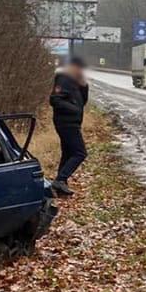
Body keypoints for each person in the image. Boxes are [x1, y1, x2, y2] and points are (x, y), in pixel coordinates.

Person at [49, 55, 89, 196]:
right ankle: (60, 180)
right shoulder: (63, 79)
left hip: (72, 122)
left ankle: (60, 186)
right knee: (80, 153)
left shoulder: (73, 81)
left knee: (68, 153)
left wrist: (84, 86)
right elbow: (54, 100)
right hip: (65, 122)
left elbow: (82, 102)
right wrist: (74, 109)